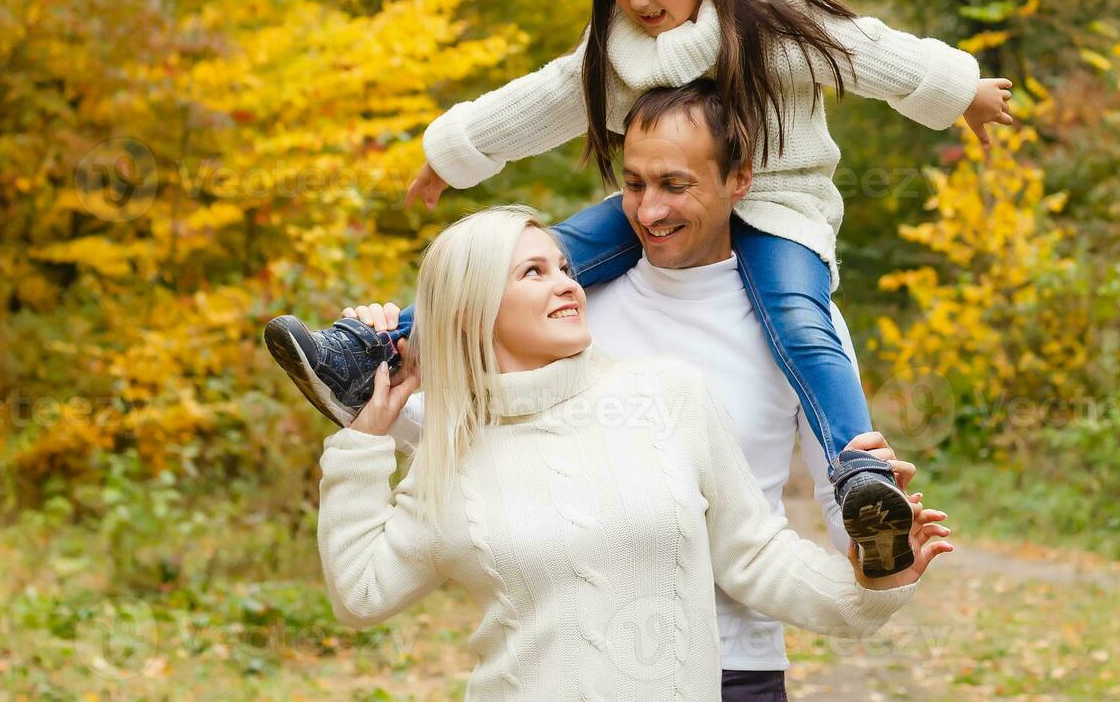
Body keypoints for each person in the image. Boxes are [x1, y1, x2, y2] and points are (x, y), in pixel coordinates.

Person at [268, 0, 1011, 572]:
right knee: (523, 263)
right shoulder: (621, 53)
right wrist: (453, 152)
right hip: (661, 201)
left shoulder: (769, 26)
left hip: (783, 203)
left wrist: (963, 90)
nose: (638, 0)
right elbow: (545, 98)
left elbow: (868, 50)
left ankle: (861, 479)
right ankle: (371, 356)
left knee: (800, 322)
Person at [331, 79, 925, 699]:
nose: (648, 211)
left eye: (675, 185)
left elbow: (778, 541)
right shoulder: (574, 314)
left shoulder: (787, 330)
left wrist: (877, 567)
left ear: (739, 180)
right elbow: (465, 448)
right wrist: (376, 380)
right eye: (634, 184)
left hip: (730, 659)